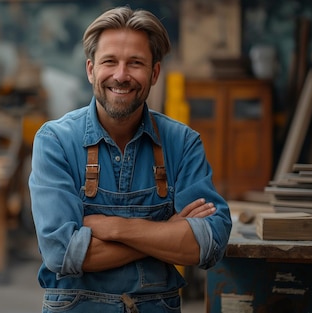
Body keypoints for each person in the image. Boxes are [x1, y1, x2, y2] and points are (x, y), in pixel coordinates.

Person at [28, 6, 232, 313]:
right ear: (90, 69)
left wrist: (115, 229)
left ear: (154, 73)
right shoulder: (55, 141)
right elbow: (61, 253)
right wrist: (166, 231)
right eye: (110, 61)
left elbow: (209, 243)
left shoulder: (183, 143)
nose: (121, 76)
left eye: (135, 63)